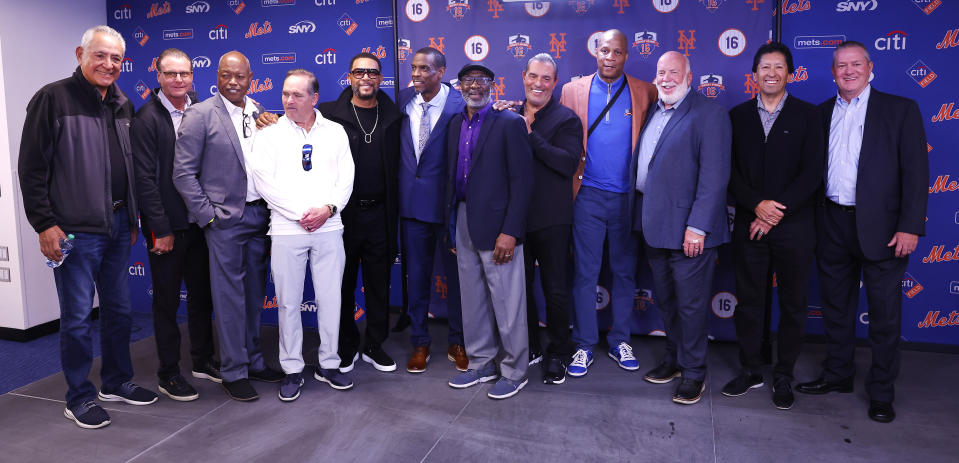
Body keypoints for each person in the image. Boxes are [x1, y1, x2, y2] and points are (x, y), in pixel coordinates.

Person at [18, 25, 158, 429]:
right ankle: (78, 396)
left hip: (116, 224)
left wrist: (130, 217)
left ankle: (116, 381)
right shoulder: (52, 98)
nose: (109, 64)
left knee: (118, 311)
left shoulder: (122, 102)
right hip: (74, 232)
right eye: (101, 55)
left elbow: (129, 166)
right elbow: (32, 168)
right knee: (78, 318)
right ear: (81, 53)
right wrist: (44, 224)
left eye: (116, 58)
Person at [796, 41, 928, 424]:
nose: (848, 71)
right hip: (832, 223)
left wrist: (909, 227)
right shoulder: (820, 114)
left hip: (885, 229)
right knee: (837, 309)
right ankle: (838, 375)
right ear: (832, 71)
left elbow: (916, 174)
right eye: (841, 65)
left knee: (885, 316)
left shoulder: (901, 110)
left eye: (856, 64)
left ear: (871, 67)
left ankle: (881, 392)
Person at [173, 51, 283, 402]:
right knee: (230, 298)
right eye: (225, 75)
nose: (233, 82)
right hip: (224, 222)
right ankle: (234, 370)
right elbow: (182, 173)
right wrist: (207, 216)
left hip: (258, 217)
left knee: (254, 295)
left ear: (251, 77)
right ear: (216, 76)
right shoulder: (200, 114)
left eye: (239, 76)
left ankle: (252, 360)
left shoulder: (259, 112)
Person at [723, 42, 824, 410]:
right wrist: (756, 206)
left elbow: (813, 172)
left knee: (794, 304)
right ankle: (751, 370)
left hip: (794, 226)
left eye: (778, 67)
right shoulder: (736, 116)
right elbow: (728, 171)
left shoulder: (809, 116)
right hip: (750, 223)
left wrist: (776, 212)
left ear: (790, 74)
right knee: (750, 301)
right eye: (764, 67)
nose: (771, 73)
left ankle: (784, 375)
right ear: (754, 75)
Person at [249, 69, 355, 401]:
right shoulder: (268, 136)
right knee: (289, 303)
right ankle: (292, 369)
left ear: (314, 98)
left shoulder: (335, 132)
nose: (288, 101)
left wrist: (328, 209)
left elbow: (347, 176)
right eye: (284, 94)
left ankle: (329, 363)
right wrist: (301, 215)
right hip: (286, 229)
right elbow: (264, 182)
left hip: (330, 227)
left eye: (297, 95)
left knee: (331, 299)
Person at [633, 51, 731, 405]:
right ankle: (674, 360)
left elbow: (715, 177)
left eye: (674, 72)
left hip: (690, 232)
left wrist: (698, 227)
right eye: (661, 72)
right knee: (669, 302)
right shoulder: (654, 111)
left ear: (690, 76)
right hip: (654, 226)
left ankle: (693, 373)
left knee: (690, 306)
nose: (666, 78)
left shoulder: (709, 114)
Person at [559, 29, 658, 377]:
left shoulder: (646, 91)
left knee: (624, 272)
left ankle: (620, 340)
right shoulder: (572, 91)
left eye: (617, 52)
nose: (610, 58)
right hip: (586, 196)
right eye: (604, 50)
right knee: (585, 273)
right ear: (595, 52)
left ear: (626, 56)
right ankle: (584, 344)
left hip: (626, 198)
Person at [131, 48, 220, 402]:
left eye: (184, 73)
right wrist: (161, 228)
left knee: (202, 297)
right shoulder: (147, 119)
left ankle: (201, 360)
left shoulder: (200, 109)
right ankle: (168, 373)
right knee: (166, 303)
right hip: (168, 227)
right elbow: (145, 181)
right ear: (158, 76)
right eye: (171, 74)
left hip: (201, 224)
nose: (179, 80)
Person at [446, 63, 534, 399]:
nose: (475, 87)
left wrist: (510, 231)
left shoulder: (510, 123)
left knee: (508, 302)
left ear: (493, 85)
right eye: (468, 81)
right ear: (459, 87)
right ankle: (481, 362)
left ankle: (515, 370)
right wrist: (451, 224)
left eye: (482, 81)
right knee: (472, 300)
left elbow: (523, 182)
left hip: (500, 226)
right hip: (464, 220)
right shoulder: (456, 123)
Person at [496, 54, 583, 384]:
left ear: (555, 82)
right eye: (533, 76)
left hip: (552, 218)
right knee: (520, 290)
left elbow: (565, 163)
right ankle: (530, 345)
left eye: (546, 78)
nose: (538, 83)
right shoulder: (509, 113)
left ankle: (560, 351)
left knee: (556, 290)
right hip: (515, 219)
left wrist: (529, 132)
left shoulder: (566, 119)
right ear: (523, 76)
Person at [318, 53, 402, 374]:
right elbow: (294, 124)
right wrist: (265, 119)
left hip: (380, 214)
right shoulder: (327, 115)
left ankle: (374, 344)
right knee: (342, 284)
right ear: (349, 77)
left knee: (379, 284)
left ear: (380, 78)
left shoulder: (393, 117)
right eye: (359, 72)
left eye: (372, 72)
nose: (366, 77)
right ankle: (346, 344)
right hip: (342, 217)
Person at [397, 47, 469, 374]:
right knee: (418, 278)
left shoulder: (459, 104)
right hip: (412, 208)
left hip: (450, 209)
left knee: (458, 280)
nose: (416, 74)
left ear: (441, 73)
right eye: (413, 67)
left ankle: (459, 340)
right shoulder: (401, 101)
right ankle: (420, 342)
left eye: (424, 69)